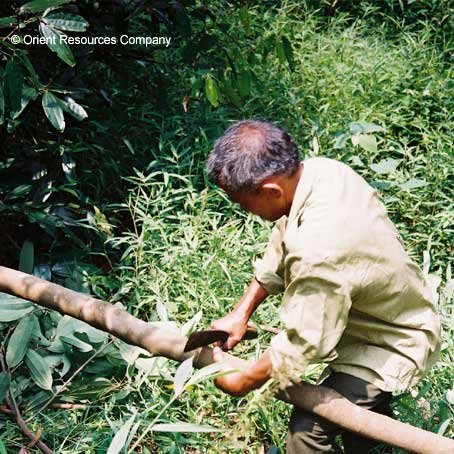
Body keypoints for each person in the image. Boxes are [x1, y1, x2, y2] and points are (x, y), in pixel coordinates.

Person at [206, 119, 440, 453]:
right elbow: (281, 245)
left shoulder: (321, 249)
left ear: (271, 191)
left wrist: (241, 381)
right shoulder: (317, 172)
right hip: (369, 317)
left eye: (243, 203)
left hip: (390, 340)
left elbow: (303, 343)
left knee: (307, 431)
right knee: (363, 436)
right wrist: (240, 313)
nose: (245, 211)